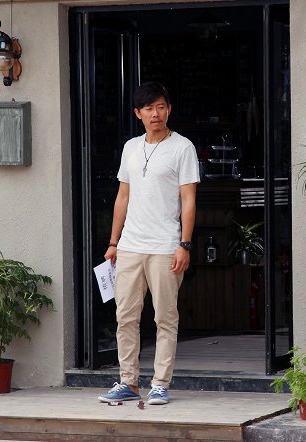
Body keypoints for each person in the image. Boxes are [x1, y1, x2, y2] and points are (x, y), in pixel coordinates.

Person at [98, 81, 199, 406]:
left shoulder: (182, 147)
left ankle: (159, 384)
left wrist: (184, 244)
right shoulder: (130, 147)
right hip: (129, 246)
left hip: (165, 246)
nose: (155, 113)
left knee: (165, 318)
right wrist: (113, 242)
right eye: (149, 108)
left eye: (161, 107)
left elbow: (188, 200)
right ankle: (128, 381)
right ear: (138, 113)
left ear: (168, 109)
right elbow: (122, 197)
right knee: (125, 316)